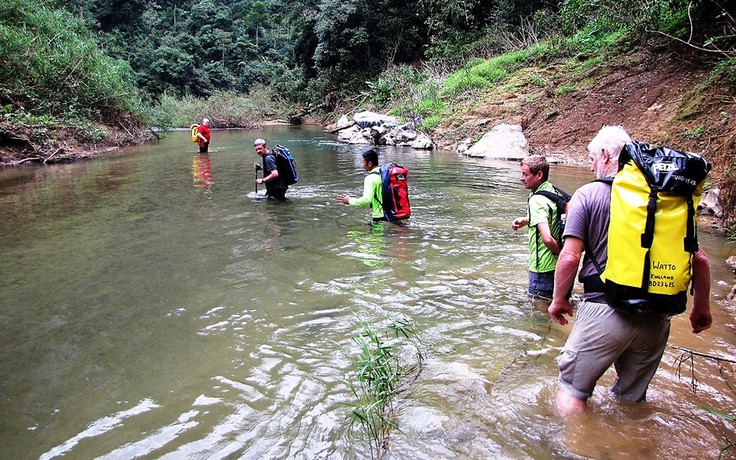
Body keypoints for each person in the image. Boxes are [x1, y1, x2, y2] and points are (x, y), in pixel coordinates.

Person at [547, 125, 712, 416]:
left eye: (592, 158)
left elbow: (571, 258)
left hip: (604, 309)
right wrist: (701, 309)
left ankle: (571, 450)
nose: (591, 165)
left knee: (572, 392)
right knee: (630, 402)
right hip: (657, 316)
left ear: (605, 155)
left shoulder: (587, 195)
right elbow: (699, 259)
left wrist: (559, 299)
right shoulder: (668, 201)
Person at [512, 155, 562, 301]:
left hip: (542, 269)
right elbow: (551, 217)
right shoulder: (553, 191)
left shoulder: (536, 200)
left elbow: (547, 238)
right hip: (555, 268)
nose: (521, 178)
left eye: (525, 174)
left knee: (539, 316)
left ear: (539, 175)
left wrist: (563, 255)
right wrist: (527, 220)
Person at [336, 148, 385, 223]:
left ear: (370, 164)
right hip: (396, 213)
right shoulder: (386, 174)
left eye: (363, 162)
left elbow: (366, 200)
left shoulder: (370, 178)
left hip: (380, 216)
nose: (362, 165)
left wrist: (349, 200)